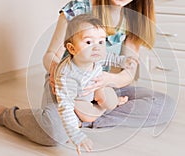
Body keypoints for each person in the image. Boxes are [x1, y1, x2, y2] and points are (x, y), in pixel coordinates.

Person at [0, 0, 175, 155]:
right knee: (52, 133)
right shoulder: (78, 7)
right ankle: (3, 114)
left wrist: (108, 81)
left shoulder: (134, 17)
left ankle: (83, 119)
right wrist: (58, 76)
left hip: (103, 84)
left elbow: (128, 71)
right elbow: (50, 55)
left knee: (164, 106)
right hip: (66, 84)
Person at [54, 14, 135, 147]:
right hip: (79, 97)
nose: (97, 47)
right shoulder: (67, 75)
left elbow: (109, 57)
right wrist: (76, 136)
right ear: (72, 49)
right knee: (88, 116)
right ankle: (79, 119)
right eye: (88, 42)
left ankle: (109, 104)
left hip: (96, 87)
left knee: (111, 101)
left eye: (101, 42)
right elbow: (65, 106)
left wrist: (124, 61)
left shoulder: (96, 55)